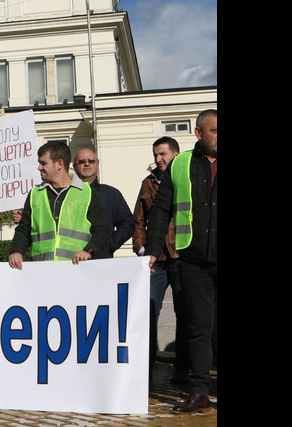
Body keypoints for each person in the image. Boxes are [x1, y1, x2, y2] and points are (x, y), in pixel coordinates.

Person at [145, 110, 217, 414]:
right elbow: (161, 210)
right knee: (198, 327)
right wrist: (151, 250)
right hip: (193, 261)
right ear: (199, 133)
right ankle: (200, 391)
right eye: (215, 130)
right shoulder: (181, 164)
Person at [133, 136, 188, 382]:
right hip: (155, 259)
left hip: (181, 255)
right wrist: (141, 249)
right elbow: (139, 220)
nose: (158, 159)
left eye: (163, 154)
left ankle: (182, 367)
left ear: (175, 154)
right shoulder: (149, 182)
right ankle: (146, 368)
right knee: (148, 311)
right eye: (155, 154)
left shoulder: (186, 177)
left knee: (185, 312)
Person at [9, 141, 108, 269]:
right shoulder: (35, 193)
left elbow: (101, 231)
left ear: (60, 164)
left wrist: (89, 251)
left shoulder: (87, 192)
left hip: (77, 270)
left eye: (43, 163)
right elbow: (23, 230)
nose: (39, 167)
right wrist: (16, 251)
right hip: (42, 271)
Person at [73, 148, 135, 257]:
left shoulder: (111, 194)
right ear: (74, 166)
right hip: (72, 257)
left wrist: (109, 245)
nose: (87, 164)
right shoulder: (67, 194)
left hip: (101, 258)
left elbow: (128, 224)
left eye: (91, 161)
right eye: (82, 161)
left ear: (97, 164)